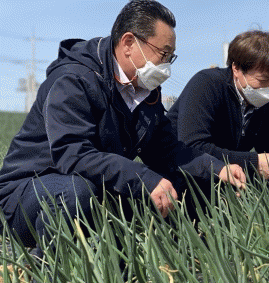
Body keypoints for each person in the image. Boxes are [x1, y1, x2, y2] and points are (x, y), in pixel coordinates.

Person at [0, 0, 246, 255]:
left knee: (178, 185)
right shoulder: (74, 79)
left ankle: (183, 255)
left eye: (170, 57)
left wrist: (216, 167)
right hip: (28, 196)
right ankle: (45, 267)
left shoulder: (144, 92)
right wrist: (144, 179)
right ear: (129, 43)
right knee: (77, 192)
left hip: (92, 187)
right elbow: (73, 155)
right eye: (162, 54)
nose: (166, 67)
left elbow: (166, 149)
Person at [166, 30, 269, 194]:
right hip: (179, 171)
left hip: (226, 174)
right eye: (263, 80)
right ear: (236, 69)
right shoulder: (207, 84)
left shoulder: (267, 105)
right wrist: (253, 162)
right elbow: (193, 146)